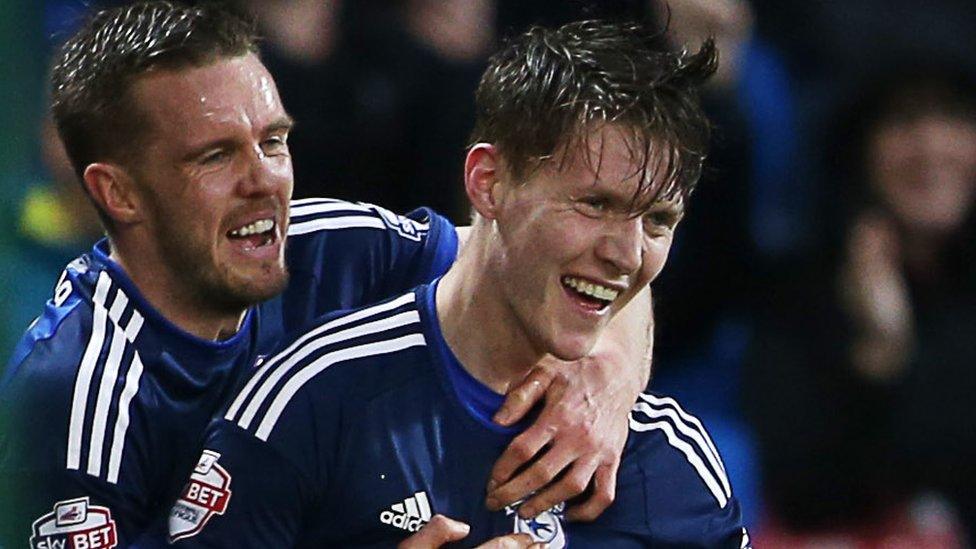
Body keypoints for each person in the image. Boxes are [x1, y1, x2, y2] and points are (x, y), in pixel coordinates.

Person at [0, 3, 653, 546]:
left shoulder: (331, 248)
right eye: (215, 156)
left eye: (274, 141)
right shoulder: (72, 398)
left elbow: (560, 260)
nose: (265, 181)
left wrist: (606, 379)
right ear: (119, 194)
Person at [167, 20, 749, 547]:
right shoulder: (312, 404)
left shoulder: (670, 464)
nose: (626, 256)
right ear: (488, 183)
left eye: (658, 221)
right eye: (594, 204)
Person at [745, 65, 976, 546]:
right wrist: (881, 351)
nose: (931, 145)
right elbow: (806, 494)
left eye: (954, 117)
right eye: (904, 121)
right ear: (861, 151)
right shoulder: (801, 292)